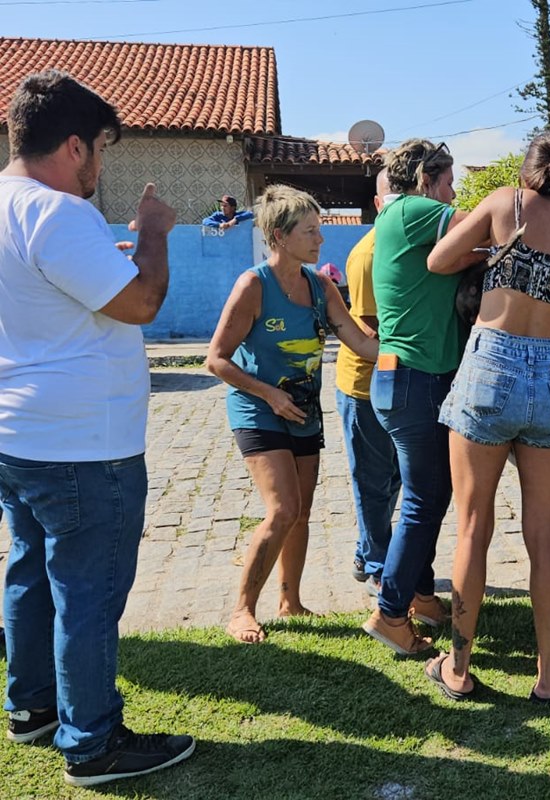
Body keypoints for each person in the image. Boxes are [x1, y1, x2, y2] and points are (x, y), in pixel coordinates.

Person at [0, 69, 196, 786]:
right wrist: (150, 233)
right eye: (102, 153)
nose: (101, 170)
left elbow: (53, 294)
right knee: (87, 593)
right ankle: (93, 742)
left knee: (29, 572)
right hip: (84, 442)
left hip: (20, 435)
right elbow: (142, 302)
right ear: (75, 147)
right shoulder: (57, 212)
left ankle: (34, 710)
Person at [426, 132, 550, 702]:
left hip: (491, 365)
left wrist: (493, 254)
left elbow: (438, 261)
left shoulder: (504, 204)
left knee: (473, 529)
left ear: (530, 170)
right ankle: (549, 675)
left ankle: (457, 669)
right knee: (543, 535)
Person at [206, 184, 379, 644]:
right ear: (279, 236)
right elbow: (216, 359)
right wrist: (268, 394)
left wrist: (410, 349)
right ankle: (242, 610)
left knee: (300, 512)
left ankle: (291, 603)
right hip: (258, 407)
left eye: (319, 230)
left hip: (303, 409)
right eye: (311, 232)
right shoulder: (253, 285)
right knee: (281, 509)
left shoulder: (320, 286)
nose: (321, 240)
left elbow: (359, 341)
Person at [361, 139, 480, 656]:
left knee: (425, 494)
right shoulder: (414, 209)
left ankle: (422, 596)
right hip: (418, 379)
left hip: (400, 377)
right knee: (424, 500)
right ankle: (390, 614)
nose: (453, 194)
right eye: (449, 182)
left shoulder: (395, 217)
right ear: (427, 178)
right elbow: (488, 227)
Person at [335, 169, 402, 587]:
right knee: (373, 482)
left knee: (394, 477)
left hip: (397, 379)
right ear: (378, 205)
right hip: (365, 383)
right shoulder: (370, 254)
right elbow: (376, 328)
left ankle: (366, 553)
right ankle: (379, 568)